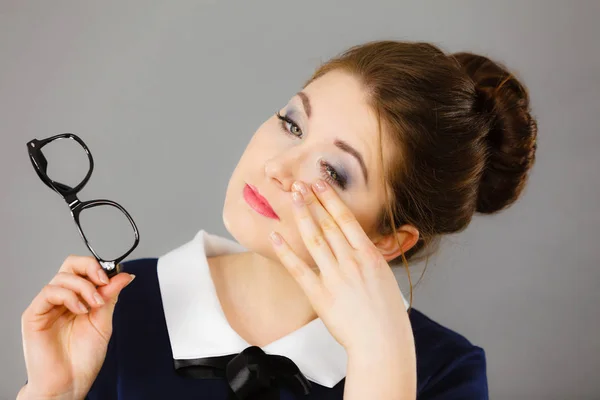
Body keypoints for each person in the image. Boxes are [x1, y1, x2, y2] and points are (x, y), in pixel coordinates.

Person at [17, 40, 537, 400]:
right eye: (292, 123)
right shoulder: (116, 308)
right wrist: (52, 393)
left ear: (389, 239)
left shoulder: (442, 372)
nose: (275, 167)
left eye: (333, 171)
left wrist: (382, 367)